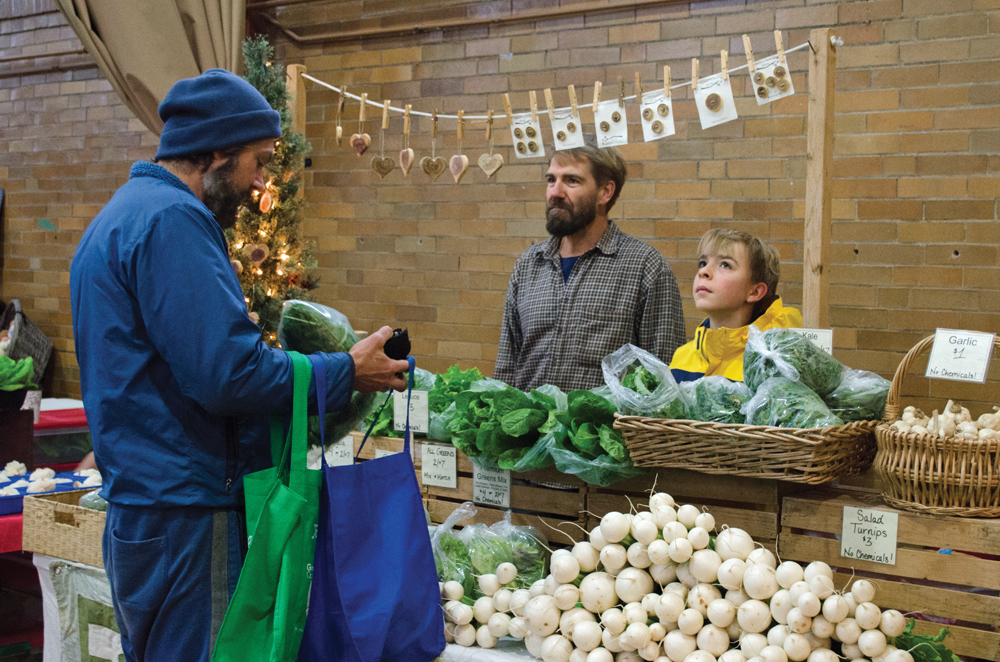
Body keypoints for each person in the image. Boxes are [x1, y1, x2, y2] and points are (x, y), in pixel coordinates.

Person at [69, 69, 408, 662]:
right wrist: (345, 370)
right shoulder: (173, 221)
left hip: (147, 509)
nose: (260, 182)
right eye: (259, 160)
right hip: (187, 514)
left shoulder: (121, 215)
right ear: (220, 151)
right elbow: (227, 375)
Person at [494, 143, 685, 392]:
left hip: (604, 431)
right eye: (551, 180)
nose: (556, 192)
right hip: (529, 430)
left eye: (571, 180)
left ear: (605, 192)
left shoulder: (645, 267)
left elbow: (662, 378)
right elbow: (507, 367)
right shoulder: (529, 265)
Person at [670, 228, 802, 383]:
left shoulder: (776, 363)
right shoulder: (681, 358)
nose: (704, 271)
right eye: (703, 263)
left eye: (725, 265)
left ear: (755, 292)